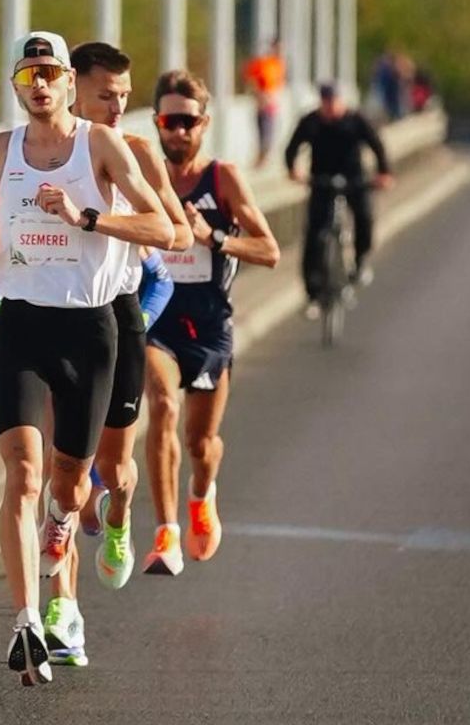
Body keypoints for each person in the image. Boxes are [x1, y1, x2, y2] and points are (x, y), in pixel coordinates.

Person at [0, 31, 173, 686]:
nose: (39, 85)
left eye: (49, 73)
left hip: (92, 330)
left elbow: (162, 228)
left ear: (68, 83)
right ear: (17, 85)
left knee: (73, 486)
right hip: (21, 326)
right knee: (21, 471)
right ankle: (25, 621)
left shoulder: (100, 147)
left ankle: (69, 520)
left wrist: (87, 217)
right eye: (28, 75)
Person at [41, 41, 192, 668]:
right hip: (49, 315)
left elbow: (177, 232)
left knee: (114, 468)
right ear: (74, 87)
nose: (118, 106)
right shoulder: (37, 150)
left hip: (118, 317)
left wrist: (96, 221)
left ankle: (124, 513)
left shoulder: (135, 153)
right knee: (60, 476)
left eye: (126, 96)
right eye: (108, 95)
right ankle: (62, 611)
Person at [142, 70, 280, 577]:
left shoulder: (222, 178)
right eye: (167, 121)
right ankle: (165, 533)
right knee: (160, 405)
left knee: (201, 444)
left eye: (187, 122)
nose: (176, 132)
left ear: (204, 123)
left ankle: (202, 493)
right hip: (157, 317)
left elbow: (269, 250)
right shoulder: (146, 175)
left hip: (209, 326)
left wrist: (213, 239)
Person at [284, 82, 394, 320]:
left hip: (354, 179)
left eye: (334, 101)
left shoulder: (356, 120)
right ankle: (313, 294)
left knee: (365, 217)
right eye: (326, 101)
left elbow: (377, 145)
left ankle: (360, 259)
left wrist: (384, 172)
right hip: (321, 181)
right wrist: (293, 169)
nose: (330, 107)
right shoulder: (311, 122)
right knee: (314, 235)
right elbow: (292, 147)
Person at [242, 38, 286, 167]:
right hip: (262, 102)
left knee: (270, 131)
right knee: (262, 129)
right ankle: (260, 157)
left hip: (272, 103)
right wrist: (258, 96)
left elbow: (278, 85)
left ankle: (264, 157)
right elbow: (251, 80)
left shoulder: (278, 65)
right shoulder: (263, 63)